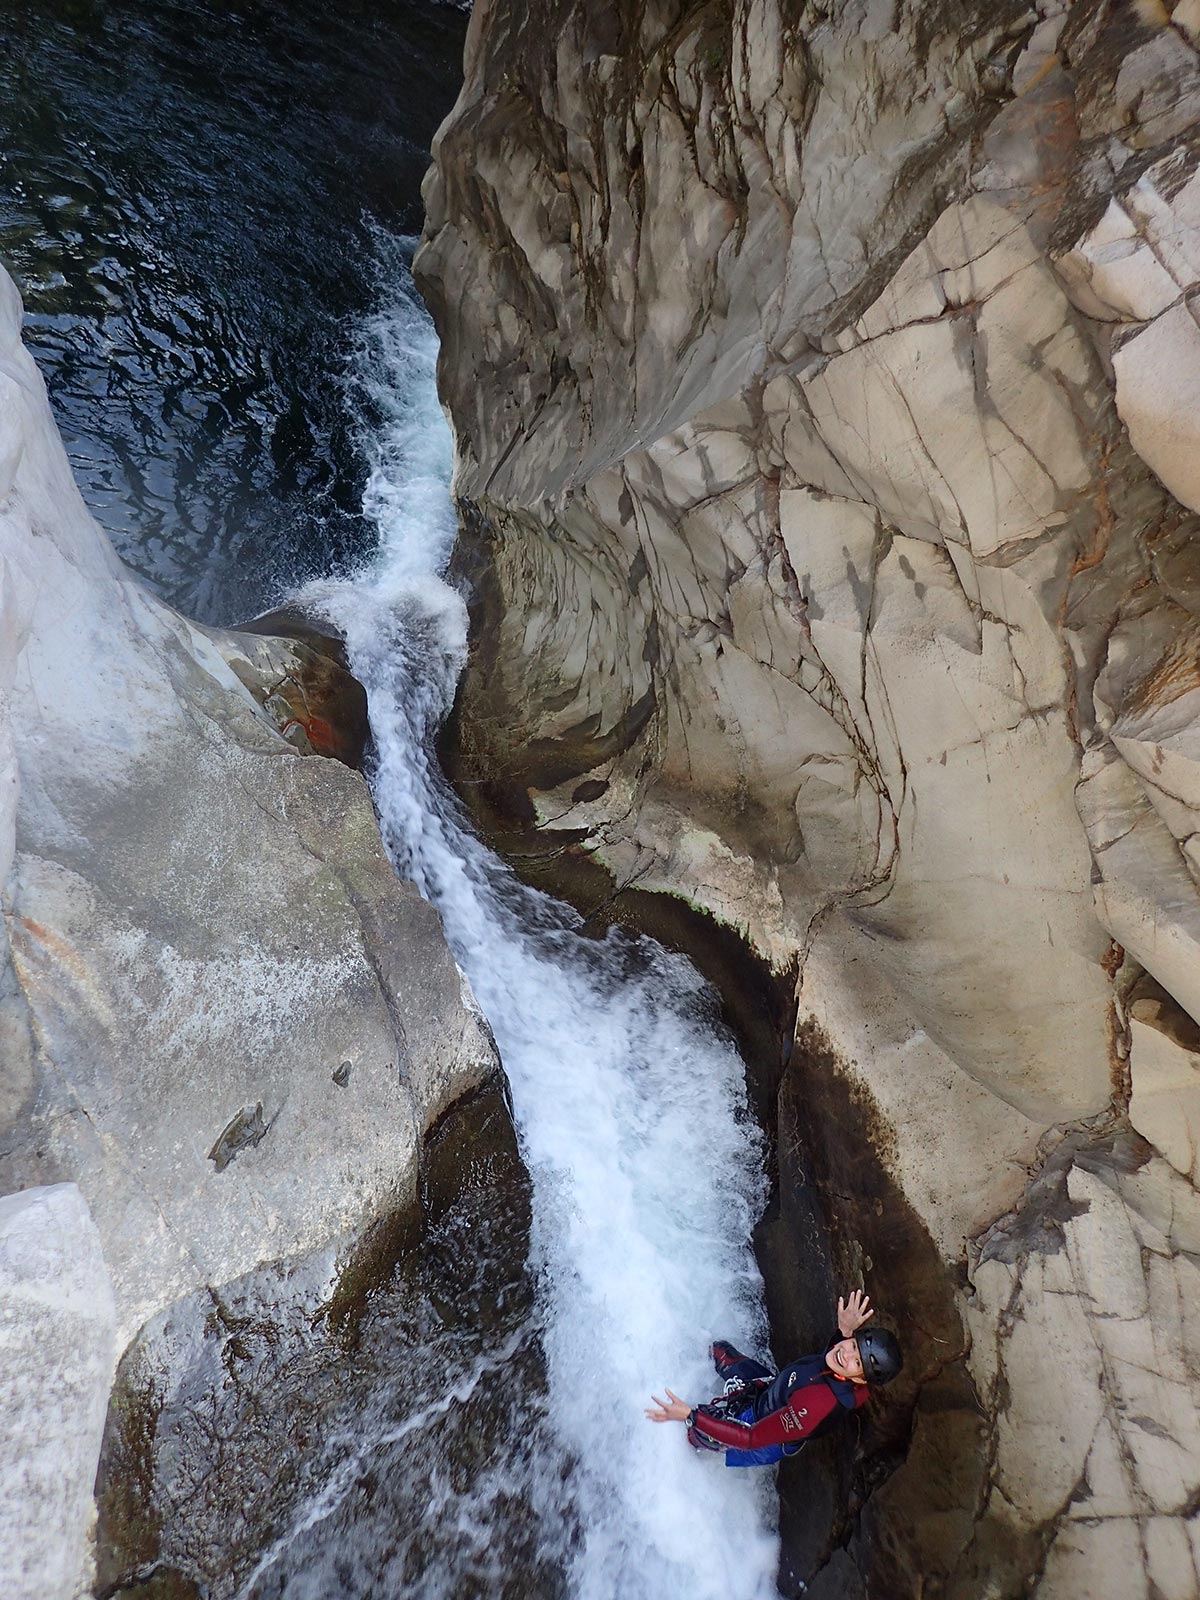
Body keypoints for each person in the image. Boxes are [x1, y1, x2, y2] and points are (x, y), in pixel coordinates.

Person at [644, 1290, 902, 1467]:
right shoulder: (836, 1367)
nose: (845, 1353)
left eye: (857, 1362)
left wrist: (691, 1416)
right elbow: (825, 1367)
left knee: (693, 1435)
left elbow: (749, 1438)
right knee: (719, 1350)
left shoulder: (815, 1406)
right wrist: (844, 1330)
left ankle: (683, 1451)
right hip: (770, 1391)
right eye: (854, 1345)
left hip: (757, 1430)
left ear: (861, 1380)